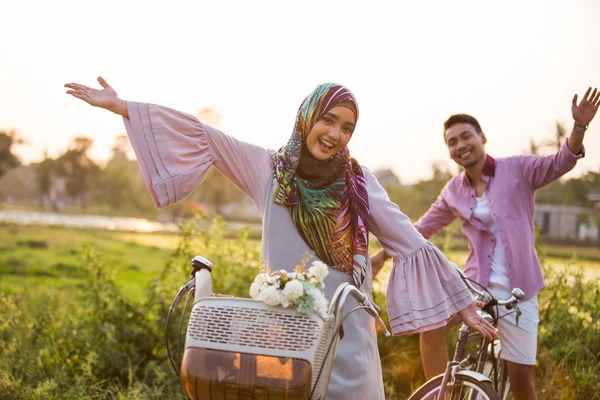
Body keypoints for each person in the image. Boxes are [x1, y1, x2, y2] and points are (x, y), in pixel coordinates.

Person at [65, 78, 497, 399]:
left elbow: (407, 238)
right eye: (328, 119)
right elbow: (205, 136)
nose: (335, 134)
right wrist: (122, 106)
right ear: (308, 116)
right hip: (284, 339)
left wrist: (462, 302)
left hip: (350, 337)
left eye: (347, 127)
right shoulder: (266, 169)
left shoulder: (358, 181)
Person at [371, 87, 599, 400]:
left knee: (521, 381)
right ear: (449, 152)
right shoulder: (453, 190)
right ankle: (443, 394)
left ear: (482, 137)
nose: (460, 145)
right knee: (433, 325)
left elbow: (560, 162)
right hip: (475, 287)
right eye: (452, 142)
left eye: (466, 136)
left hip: (519, 291)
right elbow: (422, 228)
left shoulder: (518, 170)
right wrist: (382, 255)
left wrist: (579, 127)